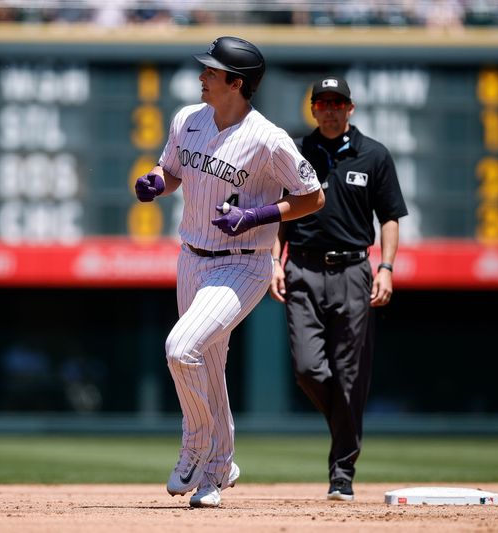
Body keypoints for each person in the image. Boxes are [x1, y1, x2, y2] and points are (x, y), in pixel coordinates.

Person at [134, 36, 324, 508]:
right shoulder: (187, 120)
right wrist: (155, 182)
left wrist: (256, 217)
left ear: (236, 83)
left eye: (212, 72)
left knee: (181, 349)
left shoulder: (267, 137)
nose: (202, 76)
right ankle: (218, 472)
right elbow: (172, 170)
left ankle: (195, 447)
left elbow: (313, 196)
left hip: (244, 263)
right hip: (192, 258)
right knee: (208, 366)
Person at [269, 75, 407, 502]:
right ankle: (345, 428)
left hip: (353, 271)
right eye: (322, 103)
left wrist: (385, 267)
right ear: (313, 109)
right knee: (309, 369)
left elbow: (389, 217)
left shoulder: (374, 155)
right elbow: (278, 215)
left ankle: (341, 473)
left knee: (350, 375)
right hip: (303, 270)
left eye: (337, 103)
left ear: (351, 108)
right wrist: (274, 260)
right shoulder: (295, 152)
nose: (330, 109)